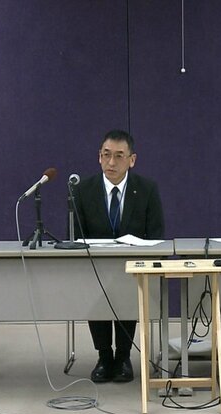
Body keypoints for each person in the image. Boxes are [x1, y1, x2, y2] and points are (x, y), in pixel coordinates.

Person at [72, 129, 164, 383]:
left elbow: (156, 235)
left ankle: (123, 357)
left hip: (133, 268)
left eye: (119, 156)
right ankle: (104, 356)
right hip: (95, 268)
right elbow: (76, 235)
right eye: (106, 155)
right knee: (96, 291)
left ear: (132, 160)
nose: (111, 162)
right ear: (99, 157)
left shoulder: (146, 189)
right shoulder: (83, 190)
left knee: (128, 291)